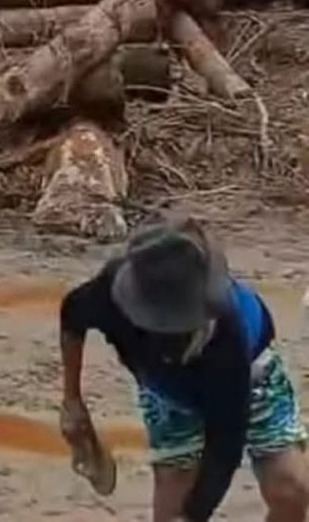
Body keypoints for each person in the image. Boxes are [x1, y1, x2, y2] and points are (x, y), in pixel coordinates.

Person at [59, 217, 309, 522]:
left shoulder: (228, 337)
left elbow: (225, 446)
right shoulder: (111, 292)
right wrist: (72, 401)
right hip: (167, 392)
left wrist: (195, 515)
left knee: (292, 489)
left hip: (252, 377)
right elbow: (72, 316)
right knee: (172, 505)